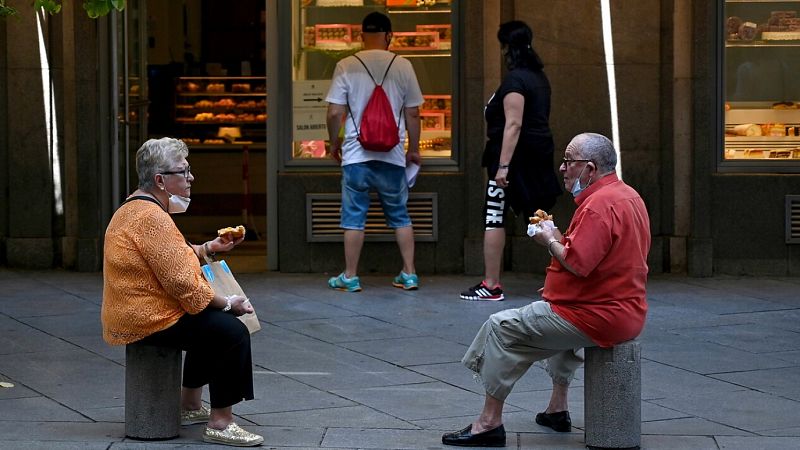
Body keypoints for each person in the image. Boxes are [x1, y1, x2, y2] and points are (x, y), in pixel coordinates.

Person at [442, 133, 651, 447]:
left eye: (569, 162)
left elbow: (577, 263)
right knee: (549, 317)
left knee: (501, 328)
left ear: (590, 169)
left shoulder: (598, 206)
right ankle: (557, 408)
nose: (563, 168)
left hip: (599, 314)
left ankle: (488, 423)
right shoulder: (628, 195)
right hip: (621, 308)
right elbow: (606, 262)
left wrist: (549, 240)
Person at [101, 137, 263, 447]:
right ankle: (221, 421)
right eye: (183, 171)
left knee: (207, 320)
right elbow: (183, 284)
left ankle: (189, 404)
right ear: (160, 180)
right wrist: (229, 303)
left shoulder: (135, 207)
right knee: (231, 331)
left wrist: (207, 249)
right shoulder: (152, 218)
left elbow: (168, 256)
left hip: (137, 312)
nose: (191, 178)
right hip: (146, 319)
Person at [460, 20, 562, 302]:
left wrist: (503, 166)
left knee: (494, 217)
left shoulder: (516, 80)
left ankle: (491, 284)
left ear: (507, 47)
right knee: (541, 217)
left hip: (512, 161)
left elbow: (513, 124)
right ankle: (573, 274)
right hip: (536, 157)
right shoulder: (538, 78)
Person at [325, 11, 424, 293]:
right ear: (389, 35)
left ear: (361, 36)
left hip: (356, 155)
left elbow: (334, 112)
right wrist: (413, 150)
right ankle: (409, 273)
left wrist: (334, 143)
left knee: (354, 217)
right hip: (392, 156)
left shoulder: (346, 64)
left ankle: (350, 276)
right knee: (400, 215)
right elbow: (413, 113)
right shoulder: (403, 65)